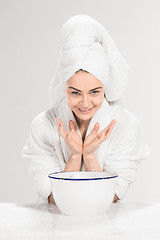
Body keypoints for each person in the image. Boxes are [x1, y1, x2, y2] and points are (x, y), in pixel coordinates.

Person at [21, 15, 150, 204]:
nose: (85, 102)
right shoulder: (43, 126)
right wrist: (74, 156)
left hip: (106, 227)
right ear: (63, 88)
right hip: (53, 226)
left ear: (105, 88)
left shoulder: (126, 126)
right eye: (75, 93)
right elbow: (52, 198)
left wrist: (89, 156)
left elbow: (112, 196)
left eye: (94, 92)